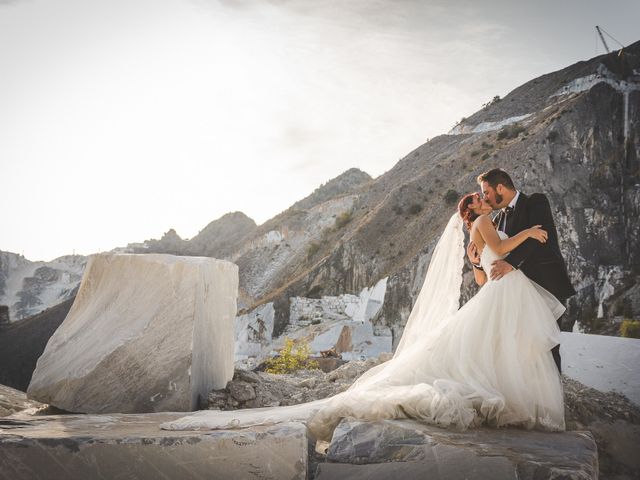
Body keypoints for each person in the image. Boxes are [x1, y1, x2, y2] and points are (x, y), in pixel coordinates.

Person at [161, 191, 567, 443]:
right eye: (478, 197)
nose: (482, 198)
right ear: (473, 209)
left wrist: (489, 261)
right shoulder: (482, 222)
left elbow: (480, 277)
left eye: (483, 195)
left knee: (476, 348)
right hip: (502, 290)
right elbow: (503, 249)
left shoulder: (474, 238)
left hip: (493, 292)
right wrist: (528, 235)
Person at [467, 169, 576, 372]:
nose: (485, 198)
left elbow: (540, 236)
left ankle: (553, 397)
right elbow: (497, 253)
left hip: (546, 283)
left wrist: (511, 264)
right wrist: (477, 262)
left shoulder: (535, 202)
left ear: (500, 187)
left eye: (487, 192)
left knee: (547, 343)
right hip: (518, 291)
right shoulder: (497, 220)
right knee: (521, 345)